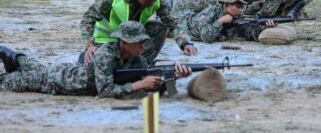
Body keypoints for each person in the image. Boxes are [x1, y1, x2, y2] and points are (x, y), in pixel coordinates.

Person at [0, 22, 192, 98]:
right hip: (57, 82)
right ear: (124, 42)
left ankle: (13, 56)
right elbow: (105, 91)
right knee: (7, 82)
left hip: (62, 71)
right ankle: (12, 57)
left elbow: (150, 84)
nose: (142, 46)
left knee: (32, 65)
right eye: (138, 42)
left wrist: (171, 77)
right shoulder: (105, 55)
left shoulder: (135, 57)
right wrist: (138, 85)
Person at [79, 0, 198, 66]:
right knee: (99, 67)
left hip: (131, 41)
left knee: (160, 28)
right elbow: (87, 19)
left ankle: (140, 65)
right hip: (106, 40)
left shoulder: (158, 0)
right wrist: (90, 46)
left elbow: (172, 23)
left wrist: (186, 43)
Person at [171, 0, 276, 43]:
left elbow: (248, 34)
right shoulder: (210, 12)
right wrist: (220, 22)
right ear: (226, 5)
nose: (241, 9)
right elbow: (206, 37)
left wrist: (264, 28)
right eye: (238, 6)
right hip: (179, 24)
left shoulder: (236, 18)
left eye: (242, 6)